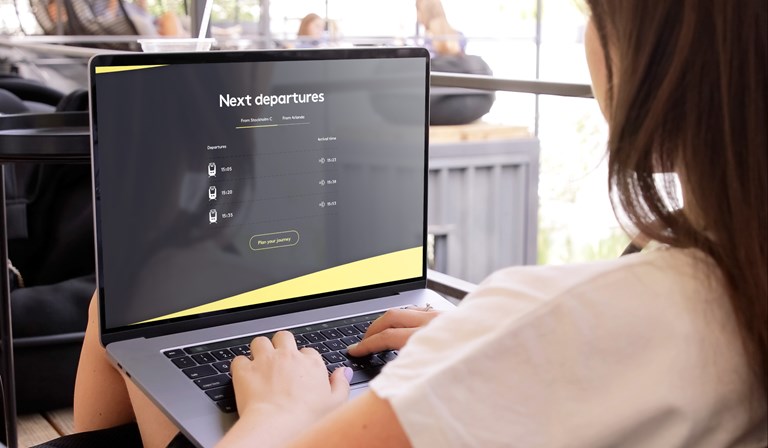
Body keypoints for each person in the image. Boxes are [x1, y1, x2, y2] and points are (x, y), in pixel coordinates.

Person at [53, 0, 766, 446]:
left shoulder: (568, 320)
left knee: (127, 320)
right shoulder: (736, 287)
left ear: (653, 56)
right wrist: (479, 344)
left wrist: (278, 416)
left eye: (590, 14)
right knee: (119, 320)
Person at [415, 0, 496, 125]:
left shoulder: (424, 40)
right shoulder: (458, 36)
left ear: (423, 13)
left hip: (436, 96)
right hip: (462, 95)